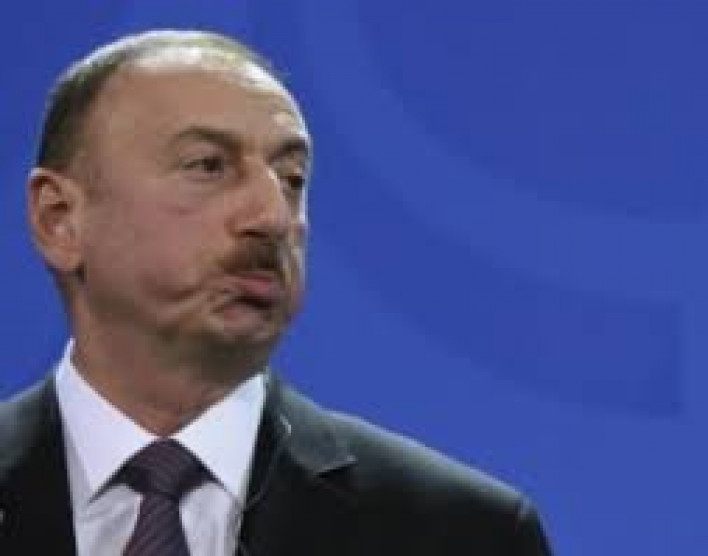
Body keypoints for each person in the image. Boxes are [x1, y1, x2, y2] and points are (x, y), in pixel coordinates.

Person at [0, 29, 552, 555]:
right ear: (59, 219)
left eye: (292, 179)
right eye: (208, 166)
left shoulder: (462, 534)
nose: (272, 216)